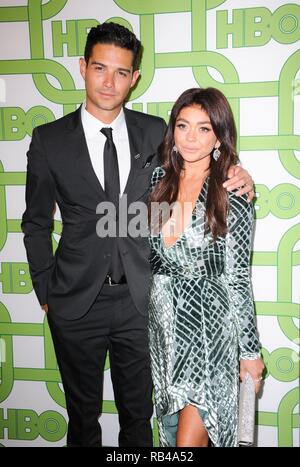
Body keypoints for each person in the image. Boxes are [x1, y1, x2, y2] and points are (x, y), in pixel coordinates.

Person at [21, 22, 255, 447]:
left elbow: (198, 161)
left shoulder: (156, 134)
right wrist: (46, 292)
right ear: (82, 67)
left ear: (135, 78)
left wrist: (238, 175)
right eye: (99, 69)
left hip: (143, 305)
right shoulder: (49, 141)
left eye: (122, 72)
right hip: (74, 304)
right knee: (83, 421)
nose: (110, 82)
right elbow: (35, 223)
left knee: (138, 421)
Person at [148, 87, 265, 448]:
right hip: (163, 331)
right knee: (168, 439)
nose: (191, 138)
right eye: (183, 126)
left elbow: (238, 277)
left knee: (188, 442)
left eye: (204, 128)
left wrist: (250, 352)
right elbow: (155, 257)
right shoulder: (158, 182)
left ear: (218, 135)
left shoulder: (232, 191)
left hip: (208, 335)